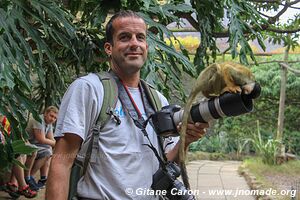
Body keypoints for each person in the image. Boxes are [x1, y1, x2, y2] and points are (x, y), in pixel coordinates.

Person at [46, 10, 208, 200]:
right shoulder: (90, 89)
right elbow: (61, 161)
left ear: (146, 46)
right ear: (109, 48)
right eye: (124, 37)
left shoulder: (158, 100)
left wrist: (185, 141)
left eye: (140, 37)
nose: (134, 44)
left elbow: (166, 162)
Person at [0, 114, 38, 198]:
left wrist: (24, 140)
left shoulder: (6, 118)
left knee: (26, 151)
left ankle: (14, 182)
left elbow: (14, 132)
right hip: (3, 147)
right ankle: (22, 185)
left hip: (7, 144)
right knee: (17, 154)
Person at [25, 106, 58, 190]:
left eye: (55, 118)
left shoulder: (48, 123)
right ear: (45, 114)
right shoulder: (39, 120)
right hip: (26, 143)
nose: (52, 119)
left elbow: (51, 138)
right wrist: (58, 145)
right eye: (51, 116)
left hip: (36, 144)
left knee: (48, 150)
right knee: (47, 152)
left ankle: (43, 178)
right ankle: (29, 177)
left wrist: (56, 145)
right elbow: (41, 139)